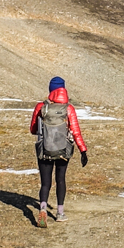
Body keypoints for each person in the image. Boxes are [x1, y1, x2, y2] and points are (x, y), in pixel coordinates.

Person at [29, 76, 88, 222]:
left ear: (50, 90)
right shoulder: (69, 108)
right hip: (63, 150)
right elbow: (75, 131)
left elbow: (33, 129)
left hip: (45, 149)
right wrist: (83, 150)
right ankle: (60, 213)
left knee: (45, 182)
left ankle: (42, 208)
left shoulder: (41, 107)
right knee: (60, 179)